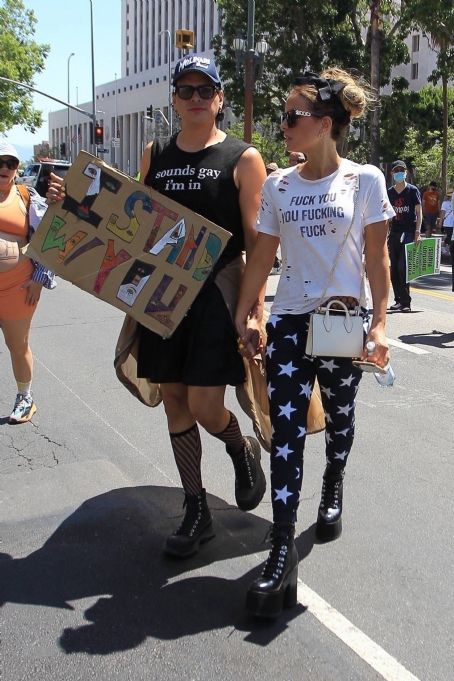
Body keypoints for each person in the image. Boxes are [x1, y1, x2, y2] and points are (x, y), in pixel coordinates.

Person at [235, 68, 395, 618]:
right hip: (288, 324)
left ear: (324, 124)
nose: (282, 126)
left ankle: (333, 483)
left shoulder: (365, 180)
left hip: (341, 323)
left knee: (341, 418)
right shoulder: (279, 186)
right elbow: (262, 255)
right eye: (281, 117)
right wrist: (247, 310)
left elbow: (377, 258)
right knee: (286, 429)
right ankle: (281, 545)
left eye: (291, 117)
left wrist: (379, 322)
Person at [136, 54, 268, 556]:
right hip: (163, 296)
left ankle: (239, 445)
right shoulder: (156, 155)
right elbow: (130, 221)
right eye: (185, 90)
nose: (194, 98)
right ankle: (196, 507)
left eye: (203, 90)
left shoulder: (242, 158)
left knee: (205, 403)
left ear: (219, 99)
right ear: (174, 98)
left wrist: (255, 308)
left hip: (216, 291)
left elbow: (258, 241)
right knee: (174, 397)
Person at [0, 142, 55, 423]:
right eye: (0, 162)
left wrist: (38, 279)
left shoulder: (26, 196)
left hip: (17, 287)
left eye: (11, 163)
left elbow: (46, 238)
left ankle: (25, 399)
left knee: (17, 344)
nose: (5, 168)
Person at [387, 160, 422, 313]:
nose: (399, 172)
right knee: (393, 268)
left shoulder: (412, 190)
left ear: (406, 172)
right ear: (392, 173)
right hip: (394, 233)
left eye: (402, 170)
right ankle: (398, 300)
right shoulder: (389, 192)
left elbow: (419, 213)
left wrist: (417, 232)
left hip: (408, 232)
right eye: (396, 170)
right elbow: (386, 215)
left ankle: (406, 301)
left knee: (403, 267)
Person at [439, 188, 454, 291]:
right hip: (451, 224)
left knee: (446, 237)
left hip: (448, 223)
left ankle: (445, 248)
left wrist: (440, 222)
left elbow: (443, 213)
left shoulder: (445, 203)